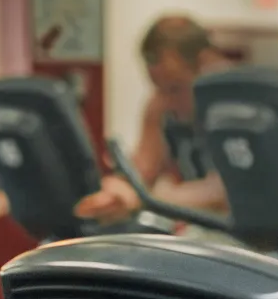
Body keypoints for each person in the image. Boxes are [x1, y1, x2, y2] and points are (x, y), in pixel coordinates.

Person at [74, 15, 229, 226]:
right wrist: (116, 194)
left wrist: (150, 198)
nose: (168, 102)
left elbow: (228, 191)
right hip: (205, 230)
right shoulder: (160, 104)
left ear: (204, 63)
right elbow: (143, 171)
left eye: (176, 88)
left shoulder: (236, 107)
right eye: (159, 88)